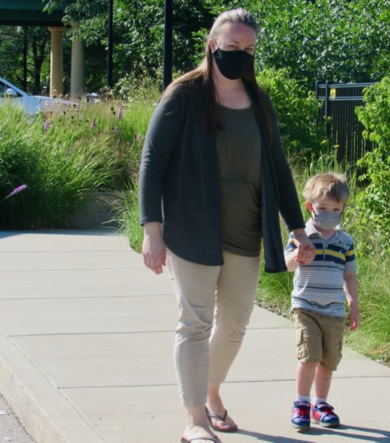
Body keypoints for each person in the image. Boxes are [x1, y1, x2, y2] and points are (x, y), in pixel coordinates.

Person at [139, 8, 315, 443]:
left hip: (245, 230)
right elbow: (152, 162)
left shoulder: (259, 101)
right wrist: (151, 231)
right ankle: (195, 420)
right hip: (191, 228)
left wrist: (297, 228)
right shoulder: (183, 96)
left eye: (249, 48)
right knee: (194, 324)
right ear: (213, 45)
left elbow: (277, 166)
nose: (241, 54)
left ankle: (210, 391)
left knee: (234, 324)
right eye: (233, 46)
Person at [285, 172, 360, 432]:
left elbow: (349, 275)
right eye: (323, 208)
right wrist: (297, 254)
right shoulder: (301, 235)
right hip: (306, 306)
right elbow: (287, 266)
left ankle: (321, 404)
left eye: (335, 209)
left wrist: (353, 304)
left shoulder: (345, 242)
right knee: (309, 356)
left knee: (328, 361)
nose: (330, 213)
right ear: (310, 208)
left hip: (334, 309)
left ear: (342, 210)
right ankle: (301, 403)